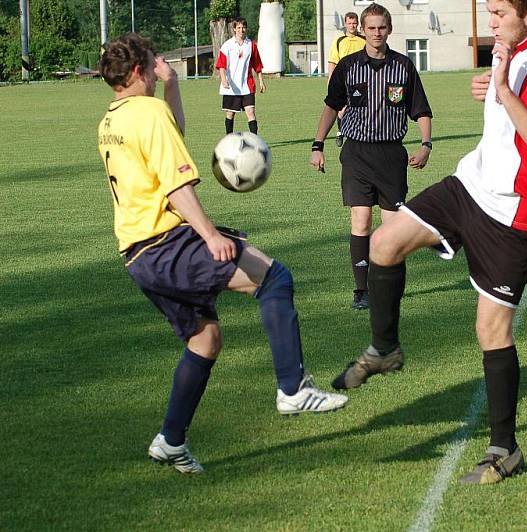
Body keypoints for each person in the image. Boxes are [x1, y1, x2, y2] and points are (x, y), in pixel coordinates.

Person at [329, 0, 527, 485]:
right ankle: (385, 348)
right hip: (471, 186)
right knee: (384, 242)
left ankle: (504, 450)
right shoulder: (514, 52)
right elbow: (509, 111)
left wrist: (503, 90)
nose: (489, 22)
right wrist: (492, 90)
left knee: (491, 331)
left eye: (498, 12)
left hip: (516, 212)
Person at [97, 33, 347, 475]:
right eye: (154, 61)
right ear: (139, 71)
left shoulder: (113, 118)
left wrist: (172, 86)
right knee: (274, 278)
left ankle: (170, 441)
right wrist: (211, 234)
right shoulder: (148, 112)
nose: (159, 67)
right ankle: (292, 388)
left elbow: (167, 146)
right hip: (167, 243)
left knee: (205, 340)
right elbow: (177, 184)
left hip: (138, 256)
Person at [309, 3, 433, 311]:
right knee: (361, 220)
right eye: (371, 27)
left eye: (382, 27)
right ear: (362, 30)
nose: (376, 32)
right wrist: (317, 145)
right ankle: (361, 290)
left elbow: (421, 110)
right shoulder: (348, 66)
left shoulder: (403, 66)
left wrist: (426, 145)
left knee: (392, 229)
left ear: (389, 29)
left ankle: (388, 286)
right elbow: (330, 106)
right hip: (357, 153)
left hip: (391, 154)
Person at [216, 17, 266, 135]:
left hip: (247, 85)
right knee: (230, 113)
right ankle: (229, 138)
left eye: (243, 27)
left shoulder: (251, 45)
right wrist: (223, 79)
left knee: (251, 112)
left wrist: (261, 81)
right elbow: (221, 64)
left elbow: (257, 64)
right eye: (238, 27)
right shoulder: (227, 45)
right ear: (234, 29)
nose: (241, 30)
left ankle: (255, 140)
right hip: (232, 87)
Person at [327, 11, 366, 148]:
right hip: (343, 80)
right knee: (342, 109)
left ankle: (359, 135)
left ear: (358, 24)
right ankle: (340, 132)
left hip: (360, 80)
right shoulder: (339, 41)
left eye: (354, 23)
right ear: (345, 24)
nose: (352, 26)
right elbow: (332, 62)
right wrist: (331, 80)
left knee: (360, 108)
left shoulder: (364, 40)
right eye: (349, 23)